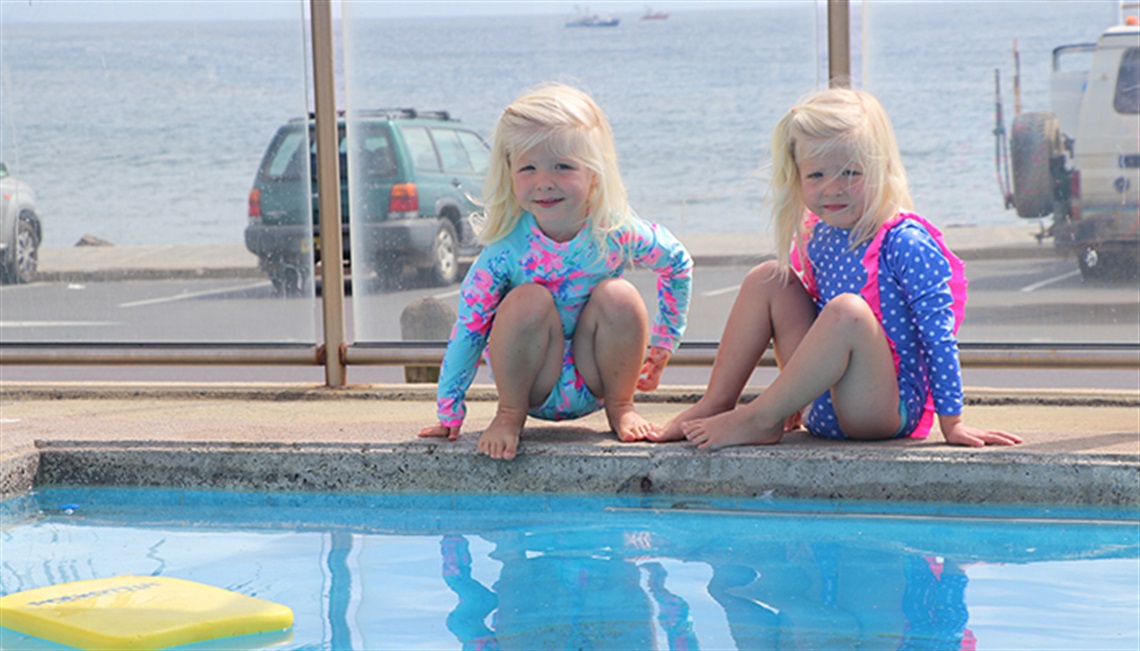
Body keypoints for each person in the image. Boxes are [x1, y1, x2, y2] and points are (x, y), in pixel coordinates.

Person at [657, 87, 1021, 450]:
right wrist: (795, 394)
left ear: (881, 168)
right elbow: (816, 326)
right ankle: (718, 401)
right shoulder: (820, 233)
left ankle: (759, 418)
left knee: (847, 311)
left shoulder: (904, 241)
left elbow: (937, 336)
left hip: (880, 408)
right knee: (769, 277)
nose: (833, 189)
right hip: (823, 401)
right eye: (815, 176)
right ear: (796, 176)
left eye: (850, 172)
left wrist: (953, 422)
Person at [418, 83, 692, 460]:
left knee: (620, 295)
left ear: (595, 174)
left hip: (598, 377)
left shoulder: (615, 230)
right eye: (528, 168)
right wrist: (449, 408)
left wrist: (664, 341)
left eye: (563, 167)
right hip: (531, 384)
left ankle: (622, 408)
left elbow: (677, 263)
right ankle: (508, 416)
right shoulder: (505, 251)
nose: (544, 181)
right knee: (528, 299)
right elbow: (470, 325)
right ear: (510, 174)